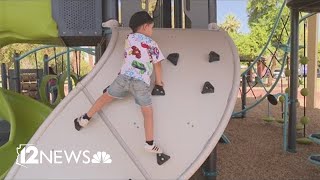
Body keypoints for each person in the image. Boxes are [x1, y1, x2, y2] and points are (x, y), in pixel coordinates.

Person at [74, 11, 165, 154]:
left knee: (105, 97)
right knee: (147, 113)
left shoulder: (129, 38)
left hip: (123, 78)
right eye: (151, 27)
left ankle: (84, 119)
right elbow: (157, 64)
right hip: (140, 83)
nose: (152, 30)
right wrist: (159, 83)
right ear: (145, 26)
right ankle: (149, 143)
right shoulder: (152, 44)